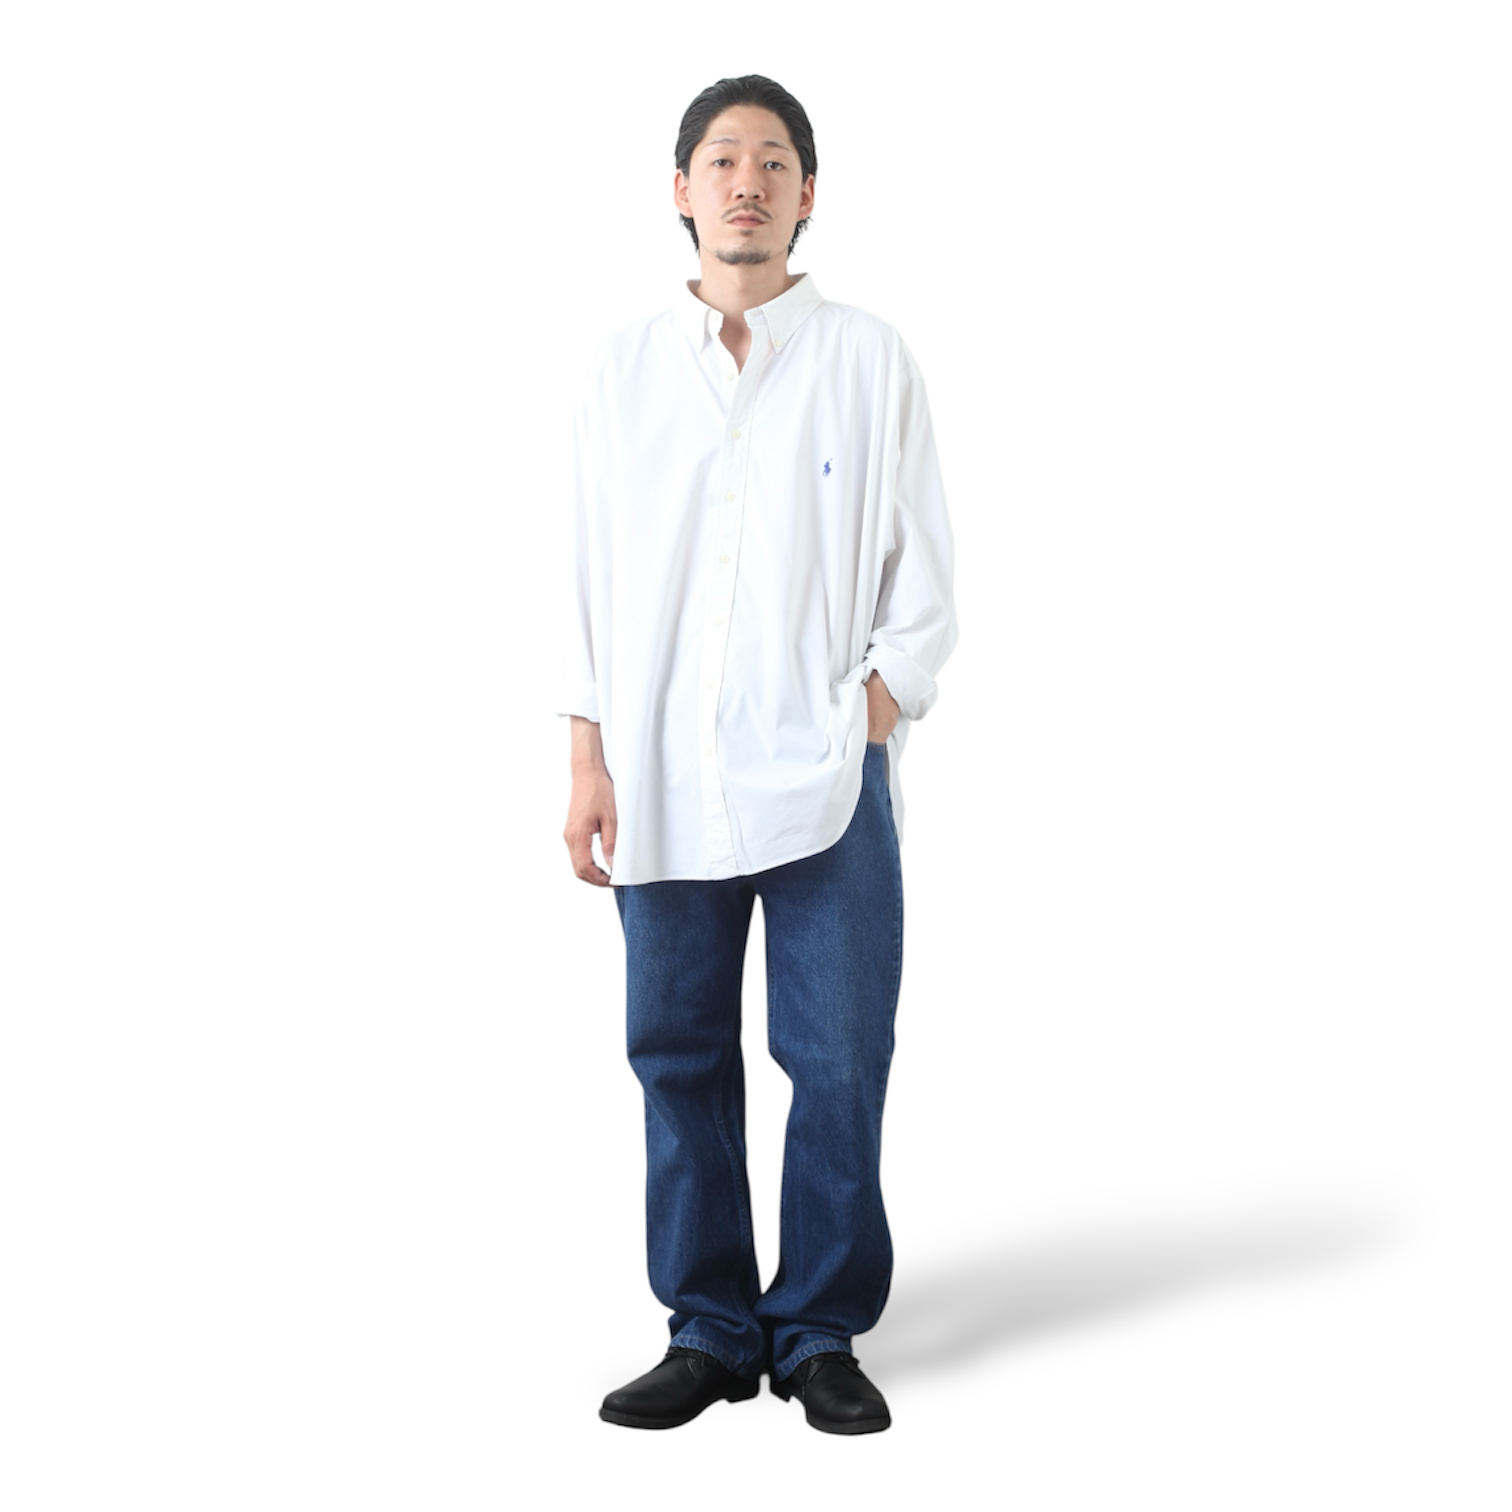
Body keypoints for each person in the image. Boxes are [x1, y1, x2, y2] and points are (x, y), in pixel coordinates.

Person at [555, 73, 958, 1436]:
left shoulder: (868, 361)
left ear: (807, 195)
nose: (747, 182)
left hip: (831, 785)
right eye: (722, 159)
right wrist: (587, 761)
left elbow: (924, 584)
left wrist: (868, 720)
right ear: (681, 190)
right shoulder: (621, 372)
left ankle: (820, 1329)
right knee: (676, 1053)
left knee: (838, 1057)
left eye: (773, 161)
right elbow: (580, 580)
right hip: (660, 774)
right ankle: (712, 1328)